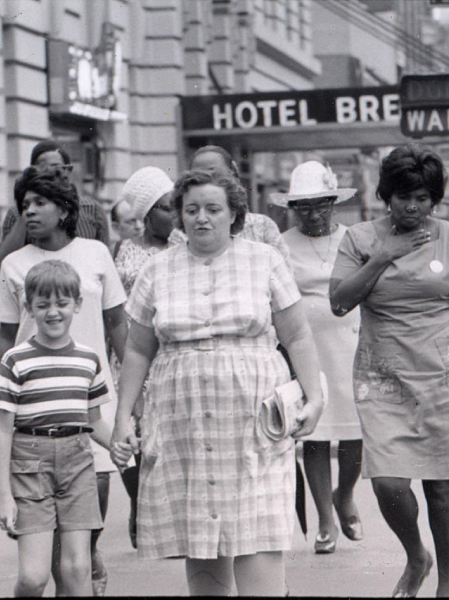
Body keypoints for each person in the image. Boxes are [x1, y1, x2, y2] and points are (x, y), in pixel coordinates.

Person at [111, 170, 325, 597]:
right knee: (203, 545)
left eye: (212, 209)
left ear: (234, 215)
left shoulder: (264, 261)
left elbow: (297, 335)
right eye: (191, 210)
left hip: (253, 426)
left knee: (259, 542)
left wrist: (315, 397)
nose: (201, 219)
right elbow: (137, 349)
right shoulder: (158, 270)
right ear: (179, 216)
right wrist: (122, 417)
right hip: (184, 427)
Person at [330, 144, 449, 598]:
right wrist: (384, 255)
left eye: (423, 198)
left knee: (442, 486)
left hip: (446, 372)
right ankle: (416, 554)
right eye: (404, 197)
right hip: (383, 373)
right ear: (387, 195)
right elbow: (339, 301)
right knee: (388, 482)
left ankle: (447, 582)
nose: (414, 207)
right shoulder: (359, 238)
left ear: (434, 199)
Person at [0, 167, 129, 596]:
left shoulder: (95, 253)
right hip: (32, 403)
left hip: (91, 396)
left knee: (81, 543)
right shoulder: (14, 264)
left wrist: (135, 395)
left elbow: (118, 324)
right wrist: (4, 400)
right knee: (39, 564)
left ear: (65, 208)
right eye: (24, 205)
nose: (30, 212)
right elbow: (5, 335)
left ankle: (86, 569)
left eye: (39, 203)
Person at [0, 260, 115, 597]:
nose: (53, 313)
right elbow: (2, 430)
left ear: (77, 304)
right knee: (33, 577)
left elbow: (94, 421)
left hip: (78, 462)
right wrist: (3, 496)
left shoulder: (88, 360)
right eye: (43, 304)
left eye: (62, 303)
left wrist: (120, 446)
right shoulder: (15, 361)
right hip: (30, 463)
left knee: (77, 569)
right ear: (29, 307)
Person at [272, 161, 364, 554]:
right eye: (302, 206)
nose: (311, 213)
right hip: (308, 346)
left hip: (354, 343)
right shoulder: (282, 243)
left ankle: (345, 495)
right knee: (315, 432)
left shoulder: (353, 237)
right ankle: (325, 520)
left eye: (319, 205)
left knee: (355, 434)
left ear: (333, 203)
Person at [111, 166, 175, 549]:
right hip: (132, 355)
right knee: (133, 435)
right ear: (148, 213)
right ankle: (139, 502)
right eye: (166, 208)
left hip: (170, 353)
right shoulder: (125, 251)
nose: (175, 215)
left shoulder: (186, 246)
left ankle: (162, 511)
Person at [0, 140, 110, 273]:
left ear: (67, 171)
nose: (49, 174)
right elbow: (1, 265)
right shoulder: (18, 214)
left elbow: (105, 265)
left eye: (55, 168)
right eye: (42, 169)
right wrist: (24, 213)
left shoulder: (92, 210)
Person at [168, 145, 291, 261]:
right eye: (198, 178)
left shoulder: (263, 227)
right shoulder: (180, 235)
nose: (208, 184)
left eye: (216, 175)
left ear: (235, 177)